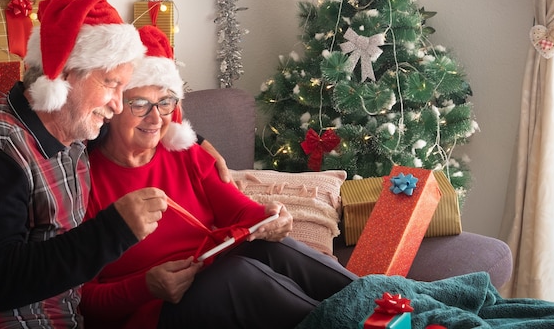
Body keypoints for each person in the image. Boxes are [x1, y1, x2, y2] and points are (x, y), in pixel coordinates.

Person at [80, 25, 358, 329]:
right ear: (115, 105)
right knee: (237, 275)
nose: (156, 117)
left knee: (267, 246)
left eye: (164, 102)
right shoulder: (85, 184)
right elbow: (83, 301)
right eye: (140, 104)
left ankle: (378, 302)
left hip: (212, 282)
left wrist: (269, 218)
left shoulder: (186, 153)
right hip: (150, 314)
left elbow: (240, 211)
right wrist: (145, 286)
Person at [0, 0, 169, 328]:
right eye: (112, 84)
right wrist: (113, 231)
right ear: (65, 74)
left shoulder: (76, 126)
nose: (117, 105)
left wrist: (198, 142)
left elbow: (144, 124)